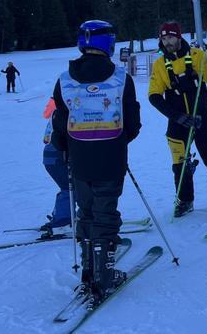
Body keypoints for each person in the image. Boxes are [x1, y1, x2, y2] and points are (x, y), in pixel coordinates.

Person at [50, 20, 141, 305]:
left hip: (79, 158)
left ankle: (90, 270)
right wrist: (117, 141)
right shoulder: (121, 78)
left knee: (87, 211)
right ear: (109, 43)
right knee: (105, 211)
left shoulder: (65, 79)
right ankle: (104, 274)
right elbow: (133, 123)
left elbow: (59, 121)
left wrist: (65, 148)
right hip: (110, 157)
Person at [147, 21, 207, 218]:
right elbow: (154, 96)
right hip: (178, 121)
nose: (167, 42)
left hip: (202, 118)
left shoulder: (197, 55)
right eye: (164, 38)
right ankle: (185, 199)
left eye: (171, 37)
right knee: (180, 165)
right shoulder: (160, 64)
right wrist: (177, 116)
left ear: (179, 37)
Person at [40, 97, 71, 234]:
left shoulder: (55, 113)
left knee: (69, 186)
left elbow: (45, 138)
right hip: (58, 156)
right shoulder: (66, 115)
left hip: (50, 155)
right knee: (70, 187)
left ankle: (61, 216)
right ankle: (62, 222)